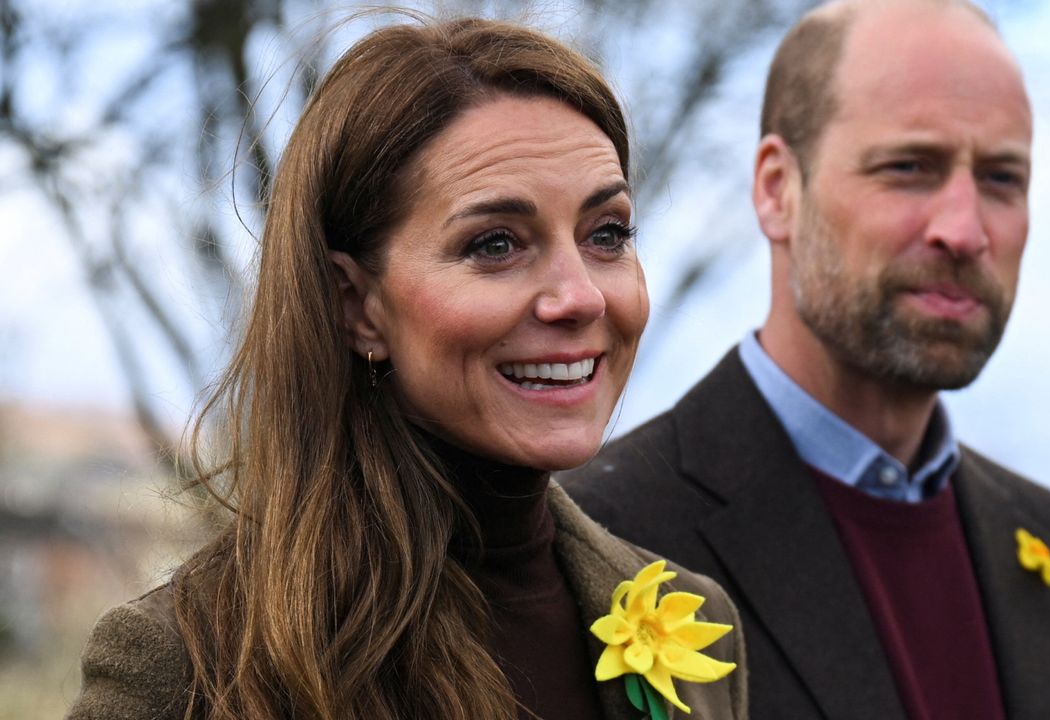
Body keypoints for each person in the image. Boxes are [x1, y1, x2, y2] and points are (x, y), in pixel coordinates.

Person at [67, 16, 746, 720]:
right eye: (495, 244)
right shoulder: (187, 663)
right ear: (356, 305)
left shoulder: (693, 619)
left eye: (607, 234)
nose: (578, 296)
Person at [562, 1, 1050, 718]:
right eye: (908, 167)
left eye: (1002, 178)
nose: (964, 230)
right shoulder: (597, 543)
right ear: (778, 190)